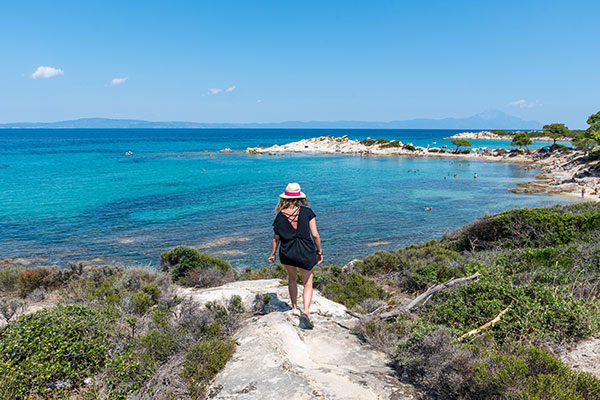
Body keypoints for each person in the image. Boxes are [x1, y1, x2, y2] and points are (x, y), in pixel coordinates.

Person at [268, 183, 323, 329]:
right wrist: (319, 251)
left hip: (287, 253)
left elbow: (276, 238)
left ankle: (293, 307)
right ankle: (305, 312)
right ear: (299, 197)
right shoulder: (307, 212)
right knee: (307, 283)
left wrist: (272, 254)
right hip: (305, 252)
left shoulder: (280, 216)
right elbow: (315, 235)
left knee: (292, 279)